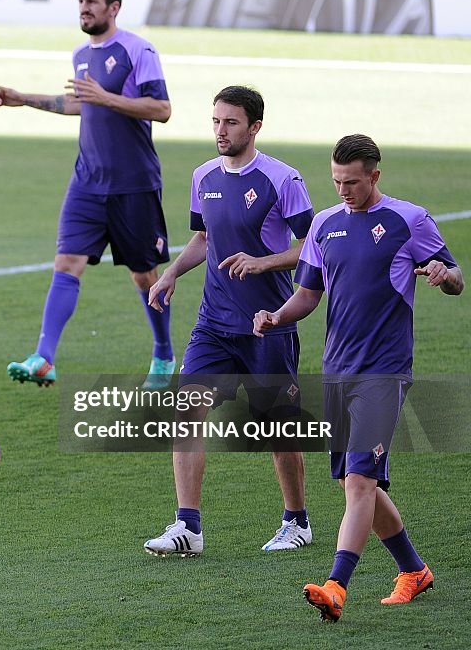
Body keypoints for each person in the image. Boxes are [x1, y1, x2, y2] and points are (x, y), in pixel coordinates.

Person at [254, 134, 463, 622]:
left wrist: (441, 274)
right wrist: (276, 317)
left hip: (384, 372)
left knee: (360, 482)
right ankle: (415, 571)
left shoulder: (408, 220)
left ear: (375, 175)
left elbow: (455, 277)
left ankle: (335, 586)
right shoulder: (325, 224)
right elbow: (308, 295)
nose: (343, 190)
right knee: (359, 483)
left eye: (352, 182)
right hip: (338, 371)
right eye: (336, 181)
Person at [143, 86, 314, 557]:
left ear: (254, 126)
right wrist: (172, 273)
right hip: (213, 325)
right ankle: (188, 528)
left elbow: (311, 248)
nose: (221, 130)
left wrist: (262, 263)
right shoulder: (203, 176)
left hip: (268, 325)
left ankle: (297, 522)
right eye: (216, 121)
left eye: (231, 122)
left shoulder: (282, 179)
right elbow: (204, 238)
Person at [0, 0, 175, 390]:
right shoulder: (80, 54)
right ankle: (45, 357)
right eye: (80, 2)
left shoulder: (137, 50)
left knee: (145, 276)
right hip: (87, 182)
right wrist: (24, 99)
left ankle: (164, 354)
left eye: (92, 2)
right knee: (66, 263)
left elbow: (162, 109)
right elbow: (78, 103)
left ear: (114, 8)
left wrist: (107, 98)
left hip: (133, 184)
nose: (84, 9)